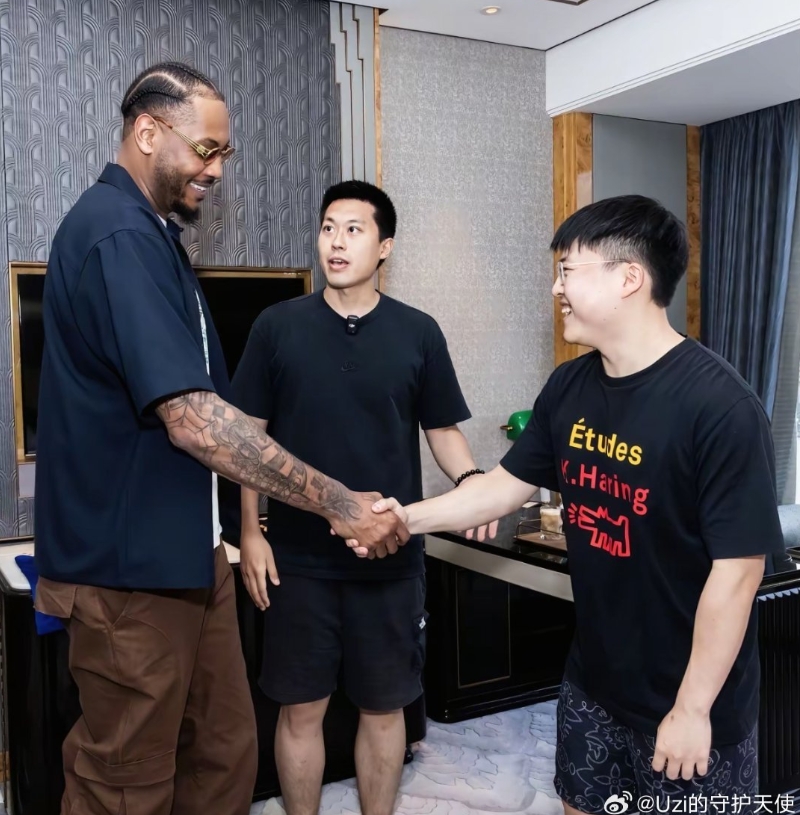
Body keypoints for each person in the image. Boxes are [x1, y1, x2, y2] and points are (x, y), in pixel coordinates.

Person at [32, 63, 406, 815]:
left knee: (224, 751)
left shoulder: (154, 236)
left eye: (224, 155)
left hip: (187, 558)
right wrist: (339, 503)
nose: (216, 171)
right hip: (129, 572)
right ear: (148, 132)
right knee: (126, 783)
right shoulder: (118, 235)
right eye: (206, 150)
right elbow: (194, 418)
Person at [368, 195, 785, 815]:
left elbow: (738, 573)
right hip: (595, 678)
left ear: (629, 278)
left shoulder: (720, 407)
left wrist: (693, 708)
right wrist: (405, 517)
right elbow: (501, 488)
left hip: (691, 696)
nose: (555, 287)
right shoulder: (570, 385)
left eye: (568, 270)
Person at [231, 180, 494, 815]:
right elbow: (245, 441)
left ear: (385, 247)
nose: (337, 241)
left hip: (390, 556)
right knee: (301, 711)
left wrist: (473, 481)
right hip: (298, 559)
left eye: (353, 229)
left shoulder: (418, 332)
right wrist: (251, 532)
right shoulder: (277, 327)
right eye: (328, 227)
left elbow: (442, 431)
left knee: (384, 708)